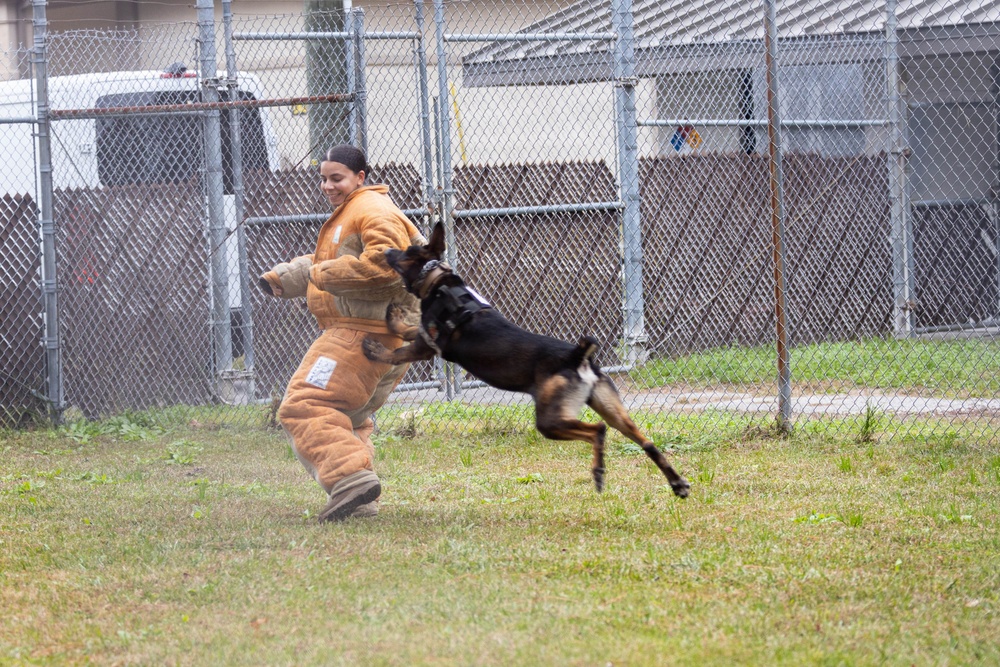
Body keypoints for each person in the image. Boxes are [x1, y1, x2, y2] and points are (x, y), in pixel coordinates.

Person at [259, 145, 424, 522]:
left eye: (337, 178)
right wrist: (289, 278)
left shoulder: (372, 210)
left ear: (360, 177)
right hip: (380, 336)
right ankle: (361, 500)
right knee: (348, 418)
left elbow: (386, 268)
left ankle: (350, 479)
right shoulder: (353, 211)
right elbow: (333, 263)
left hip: (359, 335)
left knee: (306, 405)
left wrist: (318, 276)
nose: (327, 186)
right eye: (323, 178)